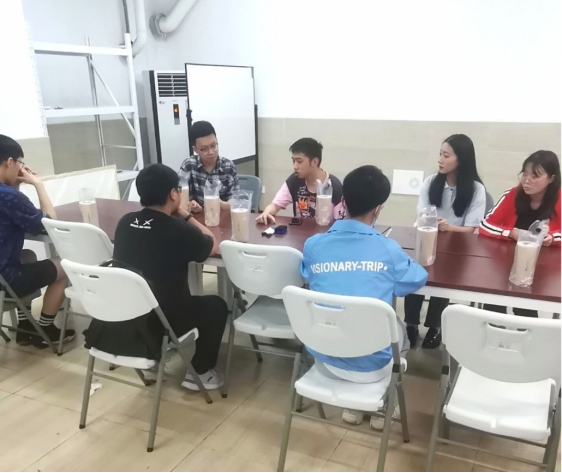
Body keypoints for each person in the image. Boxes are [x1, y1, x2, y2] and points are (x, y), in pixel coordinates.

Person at [300, 165, 428, 430]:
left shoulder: (314, 245)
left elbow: (307, 272)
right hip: (373, 366)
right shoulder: (388, 249)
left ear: (343, 201)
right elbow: (417, 279)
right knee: (399, 330)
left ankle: (353, 407)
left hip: (324, 358)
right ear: (378, 209)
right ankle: (383, 403)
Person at [102, 164, 228, 391]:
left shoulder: (125, 222)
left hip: (125, 318)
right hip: (162, 322)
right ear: (173, 194)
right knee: (216, 306)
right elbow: (213, 244)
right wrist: (185, 214)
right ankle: (200, 373)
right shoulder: (177, 228)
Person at [404, 134, 487, 349]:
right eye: (440, 154)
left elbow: (471, 229)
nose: (440, 160)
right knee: (414, 275)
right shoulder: (430, 183)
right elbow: (421, 216)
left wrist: (449, 228)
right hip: (427, 241)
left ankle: (435, 326)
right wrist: (432, 225)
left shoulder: (476, 190)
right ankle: (410, 324)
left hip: (456, 248)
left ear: (462, 159)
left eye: (446, 155)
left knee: (445, 277)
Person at [0, 135, 74, 348]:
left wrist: (14, 185)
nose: (20, 168)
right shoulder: (8, 196)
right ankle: (46, 329)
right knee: (66, 265)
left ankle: (25, 326)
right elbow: (50, 224)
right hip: (5, 280)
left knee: (27, 256)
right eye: (20, 163)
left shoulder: (8, 194)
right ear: (10, 161)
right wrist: (38, 185)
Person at [480, 150, 562, 317]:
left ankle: (526, 330)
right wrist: (510, 233)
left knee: (526, 307)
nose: (527, 180)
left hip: (545, 268)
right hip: (507, 262)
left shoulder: (560, 199)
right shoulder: (512, 195)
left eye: (535, 176)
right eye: (525, 174)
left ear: (551, 179)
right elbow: (485, 224)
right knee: (494, 299)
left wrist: (552, 237)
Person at [256, 138, 343, 224]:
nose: (295, 166)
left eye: (299, 161)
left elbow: (341, 222)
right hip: (300, 232)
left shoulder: (334, 186)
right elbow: (275, 205)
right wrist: (266, 213)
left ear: (315, 162)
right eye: (293, 161)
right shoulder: (294, 180)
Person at [178, 121, 240, 213]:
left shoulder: (228, 166)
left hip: (222, 217)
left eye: (213, 146)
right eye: (204, 149)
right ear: (195, 149)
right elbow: (179, 198)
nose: (211, 152)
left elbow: (235, 200)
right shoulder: (188, 166)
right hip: (196, 219)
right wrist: (190, 204)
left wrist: (222, 204)